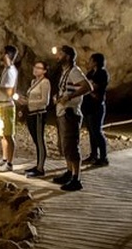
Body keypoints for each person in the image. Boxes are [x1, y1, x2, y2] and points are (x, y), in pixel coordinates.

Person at [52, 45, 93, 191]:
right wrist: (59, 97)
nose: (58, 56)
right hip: (63, 111)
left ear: (68, 57)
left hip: (71, 112)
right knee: (66, 146)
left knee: (72, 146)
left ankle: (77, 178)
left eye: (61, 54)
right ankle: (69, 172)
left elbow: (87, 87)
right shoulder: (66, 72)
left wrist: (70, 96)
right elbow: (66, 88)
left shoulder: (74, 71)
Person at [17, 60, 51, 178]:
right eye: (35, 67)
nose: (35, 69)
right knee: (36, 141)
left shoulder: (45, 83)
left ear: (44, 71)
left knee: (40, 141)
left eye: (39, 68)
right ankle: (37, 165)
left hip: (39, 114)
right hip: (31, 114)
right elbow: (31, 97)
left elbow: (45, 101)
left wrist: (28, 102)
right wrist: (23, 100)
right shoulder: (33, 82)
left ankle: (40, 168)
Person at [82, 53, 110, 166]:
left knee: (97, 131)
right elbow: (86, 86)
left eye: (90, 60)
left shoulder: (102, 73)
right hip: (89, 105)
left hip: (97, 106)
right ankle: (93, 155)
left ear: (95, 61)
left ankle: (103, 157)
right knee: (92, 132)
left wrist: (88, 89)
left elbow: (93, 87)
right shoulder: (90, 73)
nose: (89, 62)